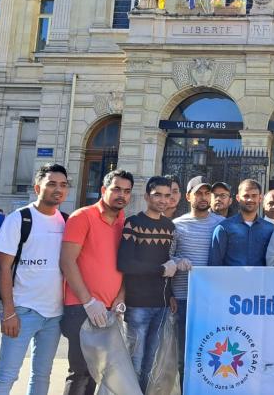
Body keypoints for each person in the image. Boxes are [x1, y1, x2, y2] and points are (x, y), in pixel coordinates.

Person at [0, 164, 69, 395]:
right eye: (52, 184)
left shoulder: (67, 221)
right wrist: (9, 311)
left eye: (63, 185)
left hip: (55, 314)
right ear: (37, 188)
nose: (58, 189)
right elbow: (3, 268)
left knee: (42, 375)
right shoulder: (19, 219)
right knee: (6, 376)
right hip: (22, 310)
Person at [59, 169, 133, 395]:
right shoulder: (82, 216)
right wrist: (88, 301)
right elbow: (67, 261)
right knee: (80, 373)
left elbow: (126, 265)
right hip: (81, 308)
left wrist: (121, 297)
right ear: (103, 190)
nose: (122, 195)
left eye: (127, 191)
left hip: (110, 310)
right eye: (117, 189)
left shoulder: (125, 223)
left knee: (97, 373)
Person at [117, 176, 178, 391]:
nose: (163, 200)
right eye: (157, 195)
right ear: (146, 196)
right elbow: (125, 263)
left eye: (167, 195)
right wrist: (160, 270)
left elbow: (168, 262)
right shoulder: (133, 223)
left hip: (162, 305)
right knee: (134, 362)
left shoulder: (169, 226)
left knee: (151, 364)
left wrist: (170, 294)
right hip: (138, 304)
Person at [171, 176, 225, 384]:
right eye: (198, 193)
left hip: (212, 301)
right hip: (183, 299)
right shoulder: (177, 225)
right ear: (188, 196)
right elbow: (167, 257)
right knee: (184, 356)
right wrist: (178, 261)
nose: (203, 197)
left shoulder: (221, 224)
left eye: (207, 193)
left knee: (213, 355)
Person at [209, 179, 274, 266]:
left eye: (254, 196)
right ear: (238, 198)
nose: (250, 199)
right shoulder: (223, 228)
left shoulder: (270, 229)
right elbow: (214, 264)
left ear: (260, 198)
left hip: (261, 275)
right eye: (246, 196)